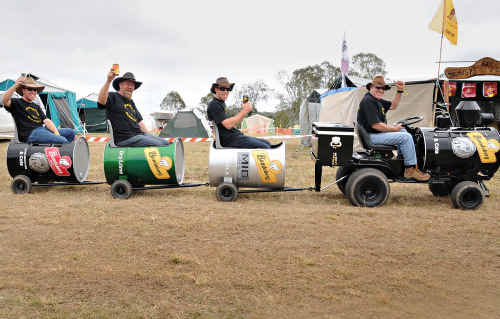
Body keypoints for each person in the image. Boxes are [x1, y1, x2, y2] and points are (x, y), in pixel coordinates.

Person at [357, 75, 430, 181]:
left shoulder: (376, 100)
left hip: (373, 134)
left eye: (383, 88)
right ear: (371, 87)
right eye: (378, 88)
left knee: (403, 130)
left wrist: (400, 91)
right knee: (406, 137)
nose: (381, 90)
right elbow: (376, 125)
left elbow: (393, 106)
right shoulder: (368, 101)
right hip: (371, 136)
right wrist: (394, 129)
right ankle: (410, 169)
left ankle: (402, 161)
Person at [97, 69, 169, 147]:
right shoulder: (112, 96)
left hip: (139, 136)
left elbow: (140, 122)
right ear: (120, 85)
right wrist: (108, 80)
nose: (130, 87)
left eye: (132, 85)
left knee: (165, 142)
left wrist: (150, 136)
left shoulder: (131, 102)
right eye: (128, 84)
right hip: (125, 139)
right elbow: (101, 101)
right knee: (161, 145)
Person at [1, 76, 75, 144]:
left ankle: (64, 154)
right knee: (62, 140)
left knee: (71, 132)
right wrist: (15, 85)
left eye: (35, 90)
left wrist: (56, 132)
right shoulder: (17, 102)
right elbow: (4, 100)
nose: (33, 92)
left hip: (42, 130)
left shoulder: (36, 106)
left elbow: (47, 121)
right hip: (31, 133)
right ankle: (64, 154)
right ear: (23, 90)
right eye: (30, 89)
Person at [207, 77, 271, 149]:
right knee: (264, 147)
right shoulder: (214, 105)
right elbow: (228, 125)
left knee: (267, 143)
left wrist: (244, 111)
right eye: (222, 89)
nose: (226, 92)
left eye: (228, 89)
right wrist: (244, 111)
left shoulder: (220, 103)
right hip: (229, 140)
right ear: (216, 89)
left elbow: (230, 122)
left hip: (234, 137)